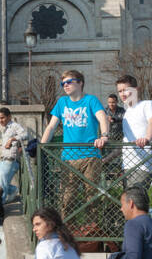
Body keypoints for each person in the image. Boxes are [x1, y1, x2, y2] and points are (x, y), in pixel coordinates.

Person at [41, 70, 109, 229]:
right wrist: (42, 146)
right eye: (62, 83)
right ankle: (67, 229)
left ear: (80, 83)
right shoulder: (62, 103)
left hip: (90, 156)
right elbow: (51, 127)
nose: (65, 85)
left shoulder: (91, 100)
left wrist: (104, 135)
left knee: (91, 195)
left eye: (69, 82)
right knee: (67, 196)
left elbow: (102, 117)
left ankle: (92, 230)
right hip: (68, 157)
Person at [116, 75, 152, 189]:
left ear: (136, 89)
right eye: (120, 91)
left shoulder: (147, 104)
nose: (122, 94)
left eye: (126, 90)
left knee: (136, 198)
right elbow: (126, 138)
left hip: (144, 163)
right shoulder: (126, 112)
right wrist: (108, 158)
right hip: (127, 163)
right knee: (129, 201)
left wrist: (147, 138)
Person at [0, 107, 28, 202]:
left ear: (9, 116)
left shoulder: (14, 125)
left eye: (3, 118)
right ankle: (13, 190)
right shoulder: (5, 128)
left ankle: (1, 201)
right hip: (3, 161)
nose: (0, 120)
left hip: (11, 160)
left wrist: (12, 139)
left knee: (2, 181)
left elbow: (25, 135)